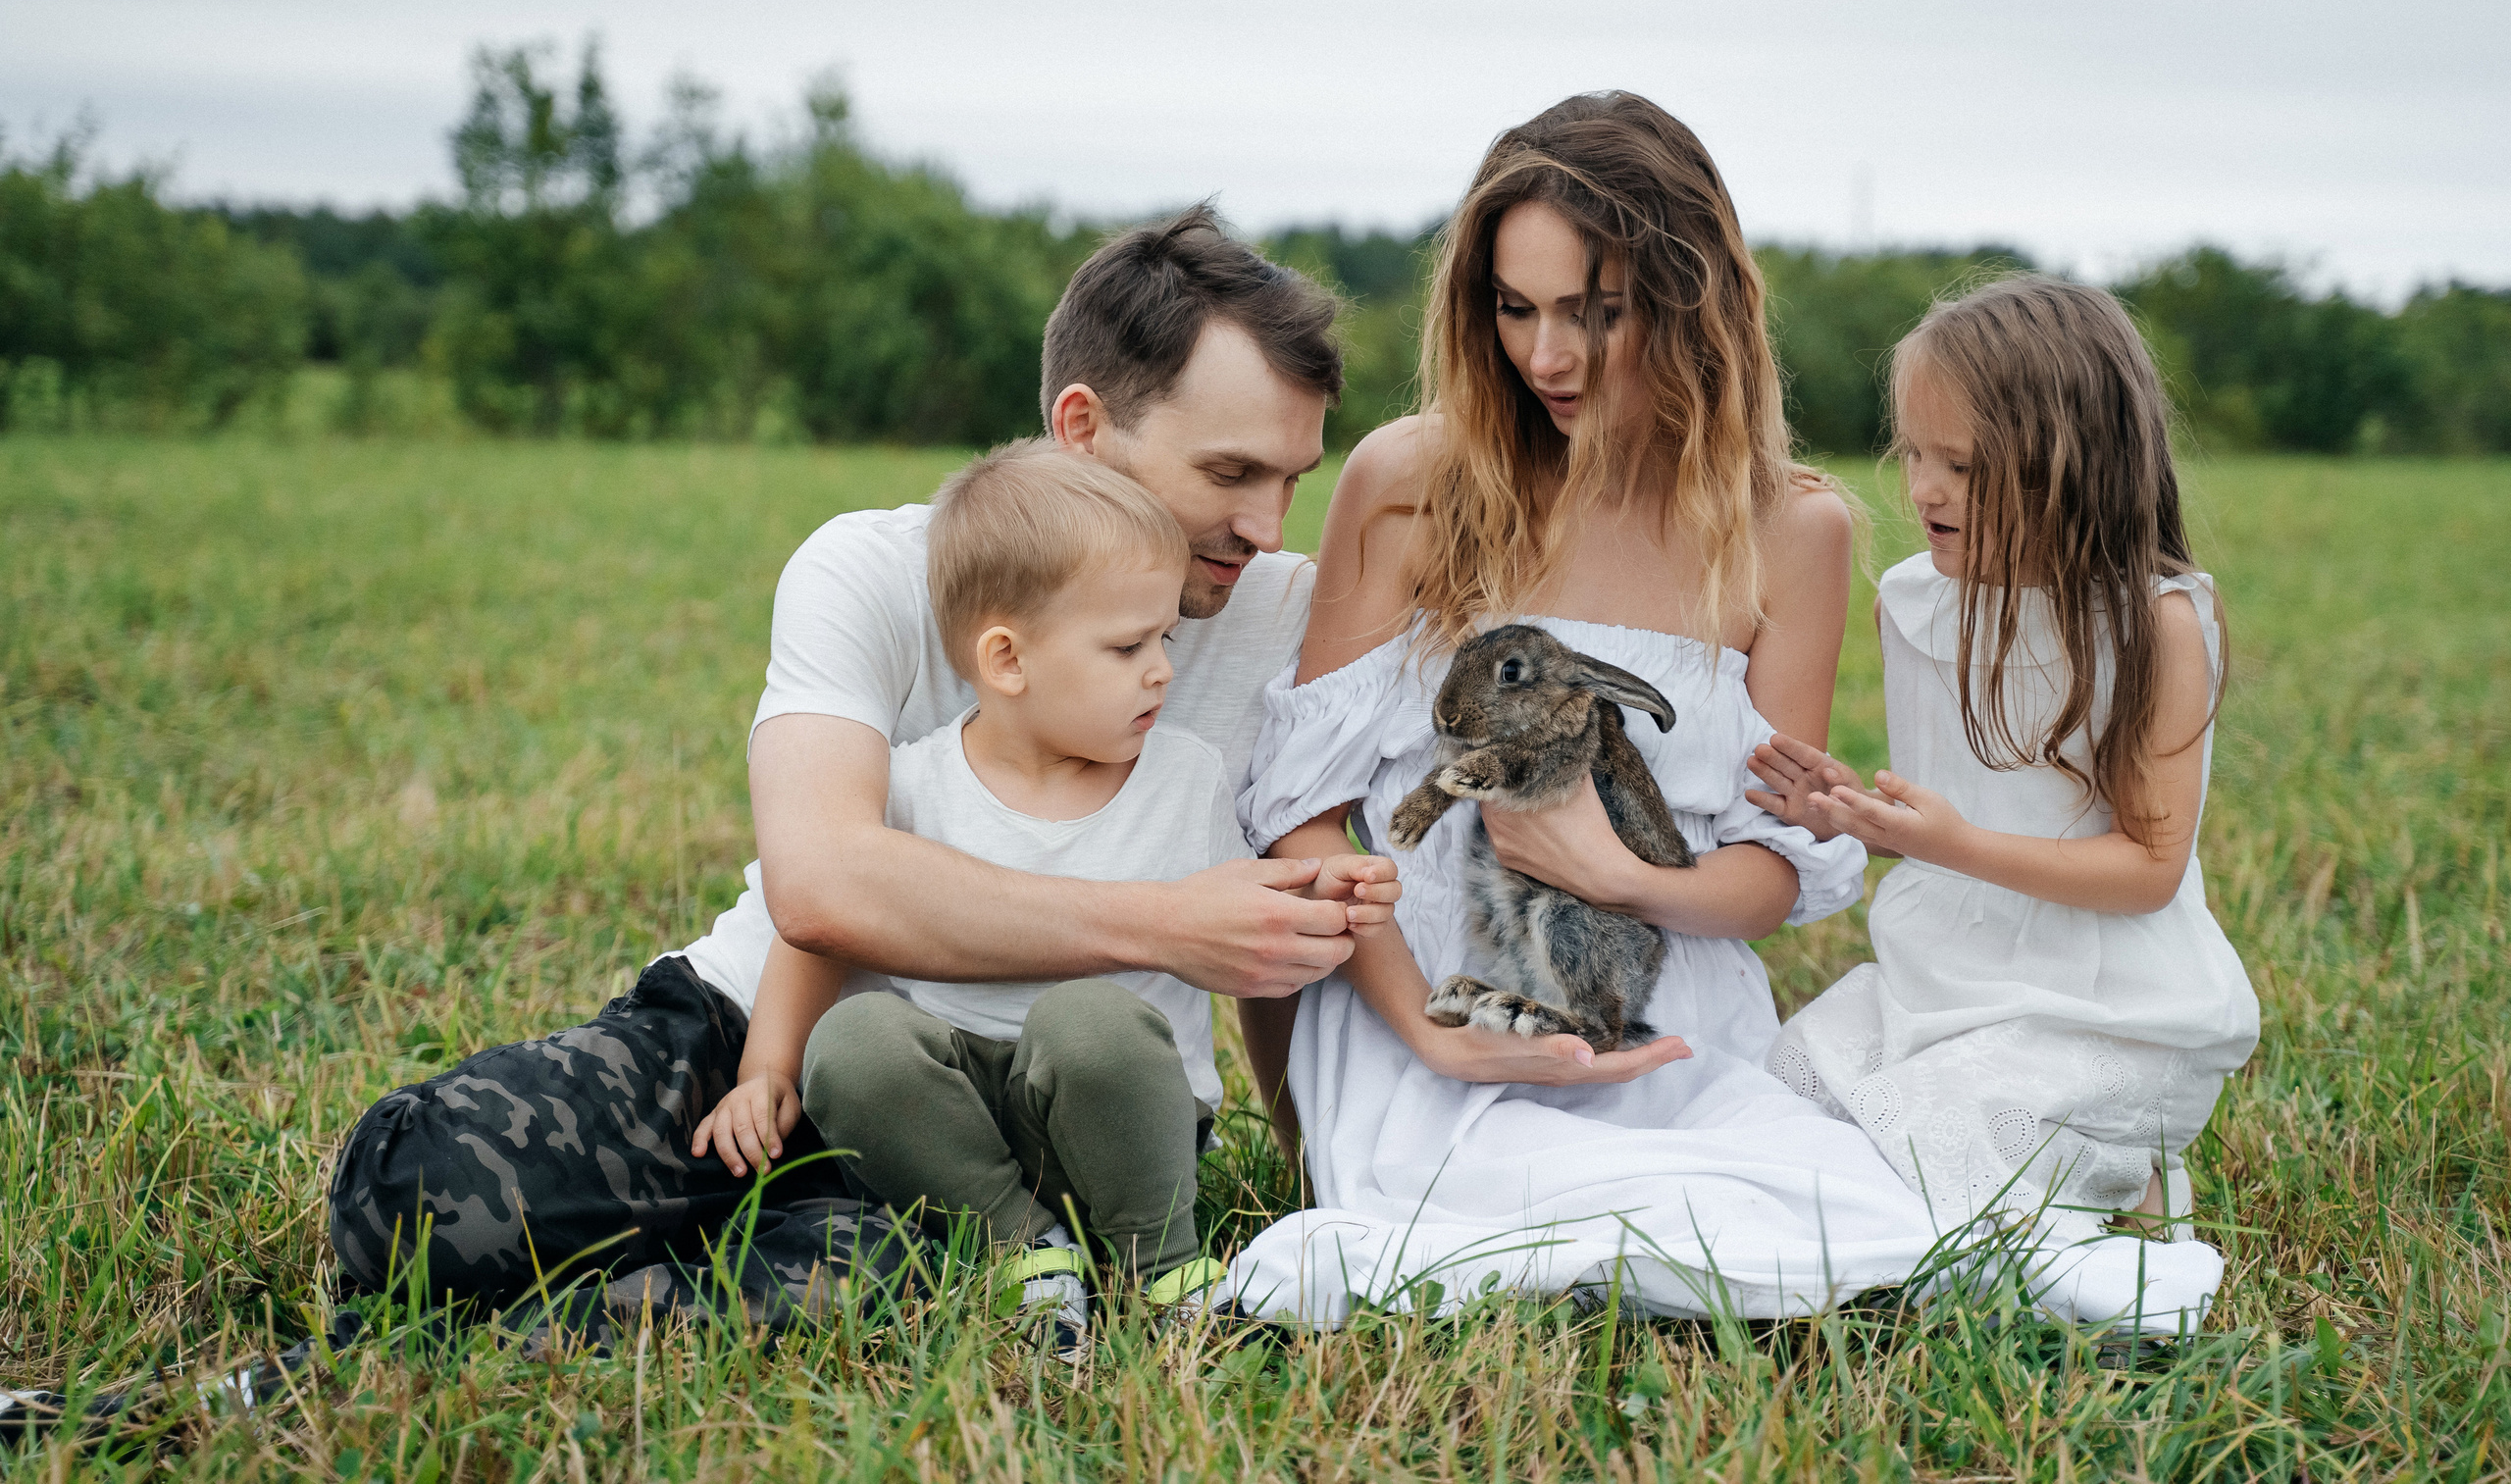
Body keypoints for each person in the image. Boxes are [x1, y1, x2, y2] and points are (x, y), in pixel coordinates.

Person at [1221, 93, 2212, 1334]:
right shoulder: (1410, 483)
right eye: (1514, 309)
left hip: (1665, 1000)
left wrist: (1619, 877)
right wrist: (1428, 1030)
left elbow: (1767, 871)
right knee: (1487, 1223)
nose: (1548, 359)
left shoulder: (1789, 531)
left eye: (1598, 313)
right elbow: (1299, 822)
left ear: (1694, 301)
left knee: (1813, 1215)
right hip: (1426, 992)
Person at [326, 207, 1398, 1324]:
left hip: (1045, 1114)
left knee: (887, 1276)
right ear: (1081, 426)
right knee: (408, 1201)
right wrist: (1168, 924)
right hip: (774, 1037)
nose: (1268, 526)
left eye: (1293, 478)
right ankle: (705, 1251)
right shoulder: (872, 570)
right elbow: (824, 883)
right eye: (1229, 471)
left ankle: (635, 1298)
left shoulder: (1289, 618)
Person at [689, 444, 1389, 1355]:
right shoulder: (913, 785)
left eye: (1165, 640)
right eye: (1128, 647)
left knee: (1092, 1019)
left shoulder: (1186, 778)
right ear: (1008, 659)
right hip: (957, 1124)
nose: (1162, 671)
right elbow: (816, 933)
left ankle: (1163, 1266)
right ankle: (1020, 1251)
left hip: (1121, 1110)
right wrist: (767, 1069)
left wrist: (1320, 887)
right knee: (854, 1043)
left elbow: (1249, 900)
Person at [1751, 273, 2260, 1253]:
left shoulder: (2151, 627)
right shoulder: (1914, 601)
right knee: (1787, 1093)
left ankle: (2129, 1171)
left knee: (1936, 1153)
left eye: (1965, 466)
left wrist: (1952, 842)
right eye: (1912, 453)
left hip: (2103, 1005)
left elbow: (2147, 871)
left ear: (2074, 466)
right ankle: (2075, 1166)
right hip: (1947, 976)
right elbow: (1957, 812)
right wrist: (1860, 815)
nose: (1922, 490)